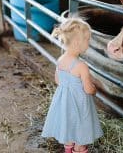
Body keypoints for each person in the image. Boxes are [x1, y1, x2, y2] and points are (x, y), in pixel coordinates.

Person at [41, 18, 103, 153]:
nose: (89, 43)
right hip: (79, 104)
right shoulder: (81, 66)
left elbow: (58, 81)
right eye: (87, 40)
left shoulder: (60, 59)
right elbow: (88, 89)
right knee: (81, 129)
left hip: (64, 103)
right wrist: (94, 89)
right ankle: (79, 149)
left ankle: (68, 149)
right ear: (77, 43)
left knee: (68, 127)